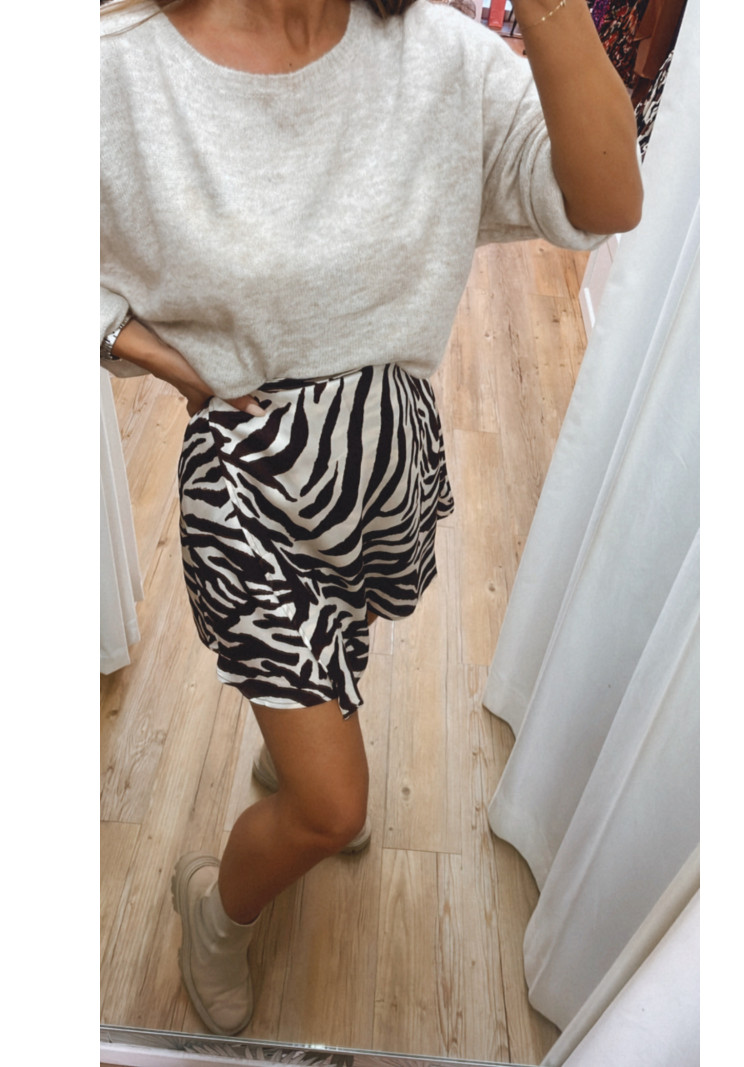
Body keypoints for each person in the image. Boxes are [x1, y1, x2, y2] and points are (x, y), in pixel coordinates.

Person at [100, 0, 642, 1037]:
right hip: (249, 484)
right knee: (332, 807)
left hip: (383, 465)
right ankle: (216, 909)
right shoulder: (120, 75)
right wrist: (147, 349)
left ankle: (294, 739)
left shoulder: (440, 57)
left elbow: (607, 197)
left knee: (341, 647)